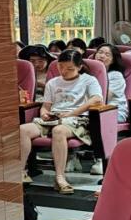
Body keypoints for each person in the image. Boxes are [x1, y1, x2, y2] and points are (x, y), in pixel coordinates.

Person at [18, 50, 102, 194]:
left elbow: (96, 99)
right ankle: (20, 172)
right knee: (22, 130)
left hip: (77, 119)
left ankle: (60, 177)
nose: (64, 71)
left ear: (79, 67)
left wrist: (70, 113)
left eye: (70, 68)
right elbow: (46, 106)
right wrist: (44, 114)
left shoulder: (89, 80)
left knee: (59, 131)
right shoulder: (53, 83)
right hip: (54, 117)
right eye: (61, 67)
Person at [91, 44, 129, 175]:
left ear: (113, 60)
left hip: (113, 111)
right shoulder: (87, 74)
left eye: (107, 54)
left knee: (96, 118)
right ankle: (73, 156)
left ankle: (101, 159)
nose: (102, 56)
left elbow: (105, 97)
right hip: (91, 109)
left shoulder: (115, 76)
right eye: (100, 52)